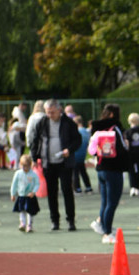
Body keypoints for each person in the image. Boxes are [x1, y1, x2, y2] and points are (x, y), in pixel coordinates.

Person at [30, 99, 82, 231]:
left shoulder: (68, 123)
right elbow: (35, 140)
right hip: (48, 162)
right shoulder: (42, 122)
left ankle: (70, 220)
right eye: (47, 112)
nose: (50, 115)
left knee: (67, 191)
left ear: (59, 110)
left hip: (64, 163)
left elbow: (77, 140)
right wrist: (35, 157)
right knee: (52, 192)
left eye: (52, 112)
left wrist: (69, 150)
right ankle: (55, 221)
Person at [88, 103, 129, 244]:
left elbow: (92, 149)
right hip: (114, 168)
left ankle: (104, 226)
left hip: (101, 167)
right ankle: (107, 232)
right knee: (112, 202)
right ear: (113, 114)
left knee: (105, 201)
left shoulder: (97, 128)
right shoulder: (115, 129)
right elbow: (122, 149)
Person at [10, 153, 41, 233]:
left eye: (26, 166)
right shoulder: (18, 174)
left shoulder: (33, 174)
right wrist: (13, 194)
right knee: (22, 210)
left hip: (30, 196)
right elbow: (14, 184)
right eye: (23, 166)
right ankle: (22, 224)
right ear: (20, 165)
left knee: (30, 211)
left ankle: (29, 225)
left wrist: (33, 192)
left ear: (30, 165)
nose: (25, 168)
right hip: (21, 195)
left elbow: (37, 183)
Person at [72, 116, 93, 194]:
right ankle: (88, 187)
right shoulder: (86, 131)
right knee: (83, 171)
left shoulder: (76, 131)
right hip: (83, 154)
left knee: (75, 172)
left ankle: (77, 189)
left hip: (76, 154)